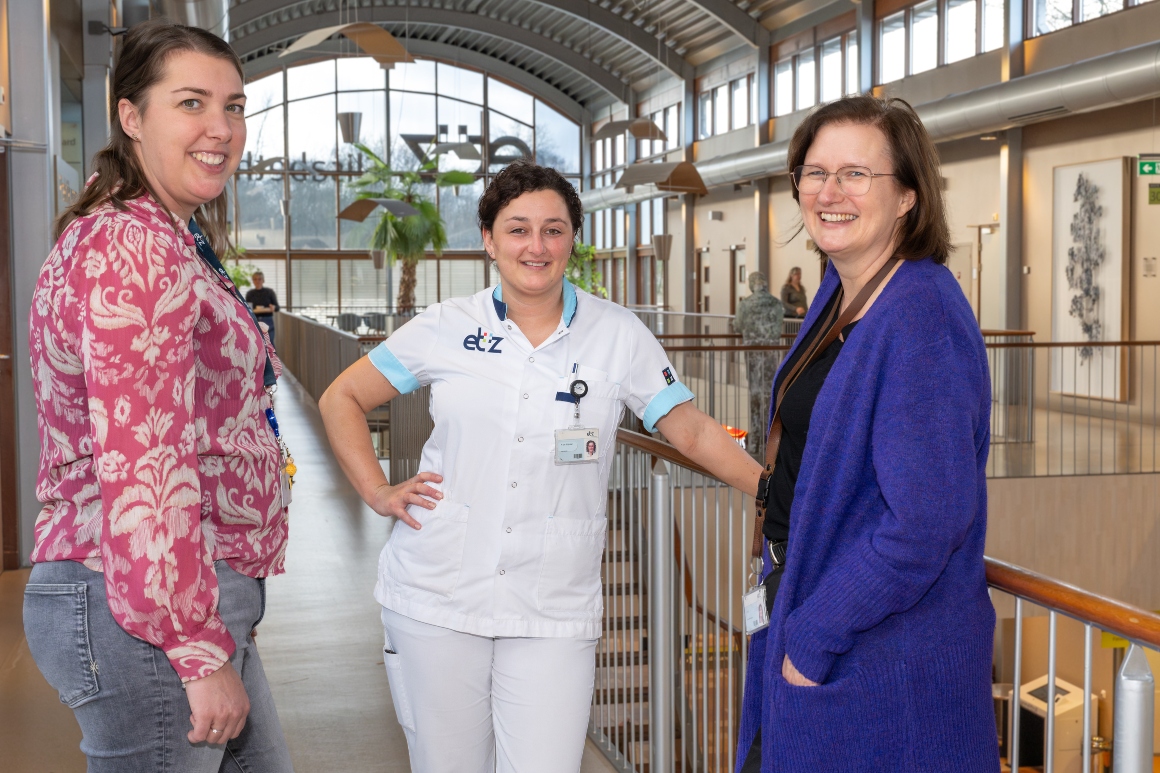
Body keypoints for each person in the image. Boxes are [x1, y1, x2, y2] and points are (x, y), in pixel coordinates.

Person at [319, 160, 762, 773]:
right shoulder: (446, 328)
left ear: (572, 240)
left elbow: (687, 428)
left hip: (554, 601)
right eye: (518, 228)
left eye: (553, 229)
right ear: (490, 240)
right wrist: (375, 491)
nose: (536, 245)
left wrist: (775, 491)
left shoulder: (618, 334)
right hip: (438, 591)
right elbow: (341, 396)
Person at [23, 19, 294, 773]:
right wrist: (196, 646)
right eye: (192, 103)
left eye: (234, 106)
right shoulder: (131, 248)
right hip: (143, 611)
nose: (220, 128)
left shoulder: (160, 234)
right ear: (131, 117)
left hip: (185, 595)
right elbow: (147, 464)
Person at [736, 95, 997, 771]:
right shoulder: (840, 289)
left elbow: (926, 522)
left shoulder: (921, 314)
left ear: (907, 194)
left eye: (856, 173)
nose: (829, 191)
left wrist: (811, 642)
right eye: (813, 171)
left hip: (879, 653)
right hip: (810, 604)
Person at [732, 271, 785, 461]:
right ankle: (770, 437)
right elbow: (779, 328)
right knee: (769, 392)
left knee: (755, 392)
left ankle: (755, 439)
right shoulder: (776, 303)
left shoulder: (745, 304)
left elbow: (738, 326)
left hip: (753, 354)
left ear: (752, 284)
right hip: (770, 353)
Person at [245, 270, 280, 348]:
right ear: (253, 281)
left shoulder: (269, 292)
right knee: (256, 344)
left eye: (259, 279)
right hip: (255, 320)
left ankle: (272, 360)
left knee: (269, 344)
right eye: (255, 279)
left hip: (268, 320)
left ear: (263, 280)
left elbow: (277, 308)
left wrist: (273, 307)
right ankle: (261, 360)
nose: (257, 281)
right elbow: (247, 309)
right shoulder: (250, 294)